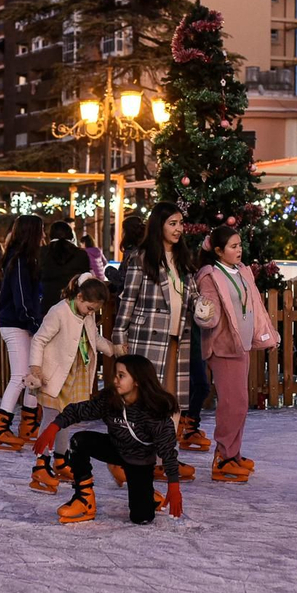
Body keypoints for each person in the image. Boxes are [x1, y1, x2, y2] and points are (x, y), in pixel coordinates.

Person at [34, 354, 183, 526]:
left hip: (139, 460)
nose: (115, 380)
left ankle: (147, 493)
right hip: (116, 448)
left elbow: (167, 451)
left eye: (121, 375)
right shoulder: (110, 399)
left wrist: (174, 484)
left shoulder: (154, 411)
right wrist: (54, 426)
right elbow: (79, 410)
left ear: (138, 381)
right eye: (115, 375)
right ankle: (84, 499)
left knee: (141, 517)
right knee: (79, 440)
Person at [111, 201, 197, 482]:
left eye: (180, 223)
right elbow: (128, 299)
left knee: (171, 403)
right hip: (147, 339)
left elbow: (191, 297)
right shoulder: (141, 257)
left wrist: (202, 305)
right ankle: (126, 459)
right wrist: (119, 335)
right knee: (144, 402)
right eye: (172, 223)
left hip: (176, 341)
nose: (178, 229)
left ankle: (163, 456)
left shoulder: (183, 260)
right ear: (158, 225)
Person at [194, 225, 278, 481]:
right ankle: (223, 458)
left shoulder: (242, 271)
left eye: (240, 244)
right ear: (219, 251)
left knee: (240, 405)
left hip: (241, 344)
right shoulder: (210, 275)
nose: (239, 250)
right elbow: (209, 311)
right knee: (233, 404)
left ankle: (233, 453)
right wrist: (205, 314)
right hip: (223, 346)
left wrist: (266, 334)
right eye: (233, 246)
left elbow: (254, 305)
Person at [24, 275, 115, 493]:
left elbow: (94, 338)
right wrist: (35, 367)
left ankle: (60, 460)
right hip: (54, 376)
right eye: (89, 307)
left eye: (94, 310)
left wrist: (114, 349)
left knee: (67, 418)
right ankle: (40, 465)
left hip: (77, 374)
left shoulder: (87, 314)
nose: (91, 312)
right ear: (79, 296)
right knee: (50, 419)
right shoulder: (59, 312)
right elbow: (39, 339)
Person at [0, 215, 46, 450]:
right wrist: (34, 324)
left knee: (34, 376)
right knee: (21, 376)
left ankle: (28, 423)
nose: (44, 235)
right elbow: (22, 299)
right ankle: (0, 429)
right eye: (41, 230)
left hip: (24, 323)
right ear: (32, 232)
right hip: (16, 324)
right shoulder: (20, 260)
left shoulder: (27, 258)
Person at [39, 220, 91, 313]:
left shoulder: (41, 253)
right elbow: (86, 278)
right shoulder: (81, 254)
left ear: (50, 235)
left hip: (47, 302)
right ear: (71, 235)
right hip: (73, 304)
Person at [105, 215, 146, 298]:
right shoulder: (145, 249)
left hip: (130, 299)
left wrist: (108, 271)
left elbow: (124, 279)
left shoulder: (133, 253)